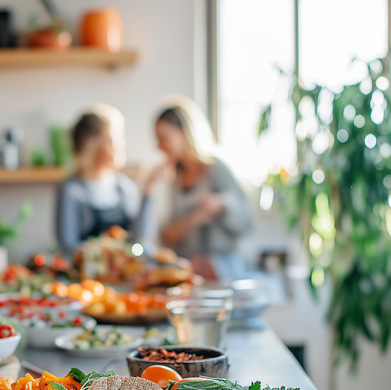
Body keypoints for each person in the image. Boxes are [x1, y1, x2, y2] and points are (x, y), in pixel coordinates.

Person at [154, 96, 252, 280]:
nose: (159, 146)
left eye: (163, 138)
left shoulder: (216, 169)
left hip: (222, 269)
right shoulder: (172, 179)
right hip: (187, 271)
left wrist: (221, 205)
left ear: (184, 133)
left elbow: (246, 220)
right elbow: (166, 235)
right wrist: (194, 218)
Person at [56, 105, 156, 254]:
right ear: (91, 145)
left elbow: (142, 242)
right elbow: (69, 247)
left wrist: (148, 192)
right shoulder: (71, 190)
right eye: (111, 139)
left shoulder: (124, 187)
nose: (121, 145)